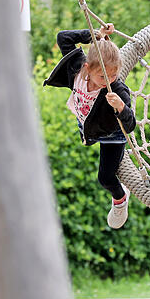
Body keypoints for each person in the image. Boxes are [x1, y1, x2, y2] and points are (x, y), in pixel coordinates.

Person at [44, 25, 136, 229]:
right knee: (90, 136)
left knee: (105, 177)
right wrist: (93, 35)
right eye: (103, 76)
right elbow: (63, 37)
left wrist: (121, 107)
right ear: (87, 67)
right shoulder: (76, 68)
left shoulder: (117, 90)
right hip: (89, 123)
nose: (109, 81)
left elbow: (130, 126)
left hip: (113, 132)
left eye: (113, 75)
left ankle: (120, 199)